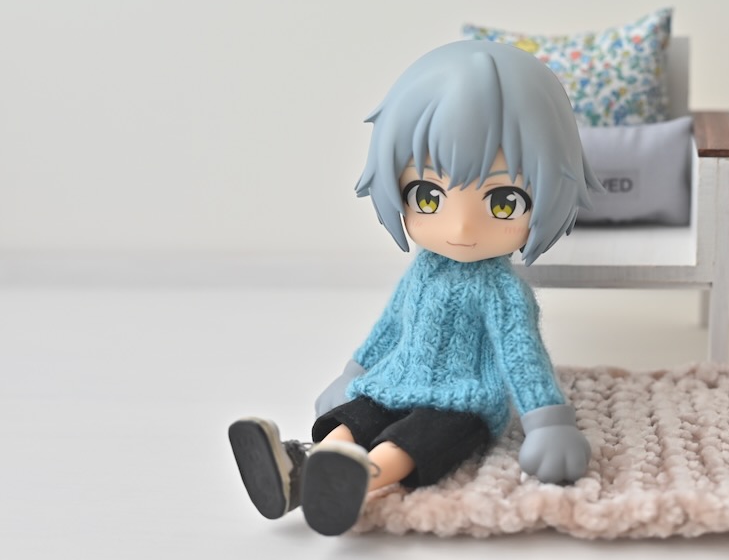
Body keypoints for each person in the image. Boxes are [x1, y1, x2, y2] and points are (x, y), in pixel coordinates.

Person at [228, 40, 603, 536]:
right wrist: (354, 371)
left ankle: (358, 479)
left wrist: (548, 421)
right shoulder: (422, 272)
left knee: (420, 438)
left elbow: (522, 358)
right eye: (428, 196)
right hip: (394, 381)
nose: (461, 226)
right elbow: (390, 326)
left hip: (463, 403)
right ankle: (303, 468)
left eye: (504, 203)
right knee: (354, 418)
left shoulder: (503, 293)